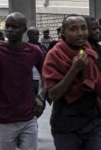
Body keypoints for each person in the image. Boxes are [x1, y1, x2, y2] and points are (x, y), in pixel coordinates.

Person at [0, 12, 46, 150]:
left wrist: (40, 96)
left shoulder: (34, 51)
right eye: (8, 26)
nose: (10, 29)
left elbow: (45, 75)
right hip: (4, 119)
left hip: (28, 117)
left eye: (15, 27)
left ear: (24, 29)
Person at [42, 15, 101, 149]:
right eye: (73, 29)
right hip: (66, 125)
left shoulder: (91, 51)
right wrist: (74, 69)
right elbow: (53, 95)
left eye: (83, 28)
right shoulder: (54, 55)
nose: (80, 33)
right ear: (62, 32)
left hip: (92, 121)